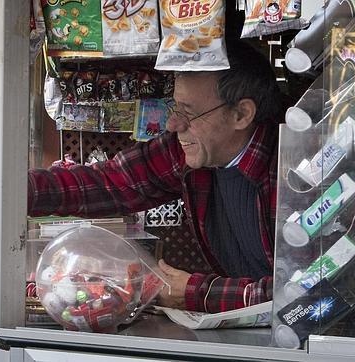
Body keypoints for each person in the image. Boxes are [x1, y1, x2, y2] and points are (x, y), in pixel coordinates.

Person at [25, 40, 283, 313]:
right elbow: (110, 182)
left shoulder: (294, 171)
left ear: (241, 114)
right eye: (176, 108)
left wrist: (201, 293)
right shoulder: (188, 154)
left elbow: (311, 290)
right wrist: (15, 192)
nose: (174, 124)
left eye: (190, 113)